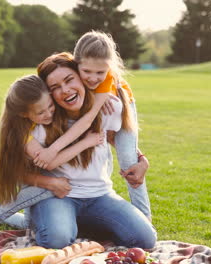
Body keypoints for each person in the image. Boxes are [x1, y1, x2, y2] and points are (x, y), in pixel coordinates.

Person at [27, 52, 156, 249]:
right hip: (59, 196)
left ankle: (70, 225)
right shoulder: (42, 119)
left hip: (99, 195)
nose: (65, 90)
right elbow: (19, 170)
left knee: (145, 239)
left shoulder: (107, 107)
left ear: (81, 76)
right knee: (57, 239)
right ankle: (46, 221)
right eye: (55, 88)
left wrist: (141, 159)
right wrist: (50, 182)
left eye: (69, 80)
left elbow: (114, 138)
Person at [0, 74, 104, 231]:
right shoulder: (23, 135)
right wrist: (86, 142)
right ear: (24, 114)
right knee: (52, 186)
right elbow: (48, 162)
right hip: (30, 178)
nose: (49, 114)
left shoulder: (37, 121)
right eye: (41, 112)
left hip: (36, 174)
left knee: (30, 224)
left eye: (50, 106)